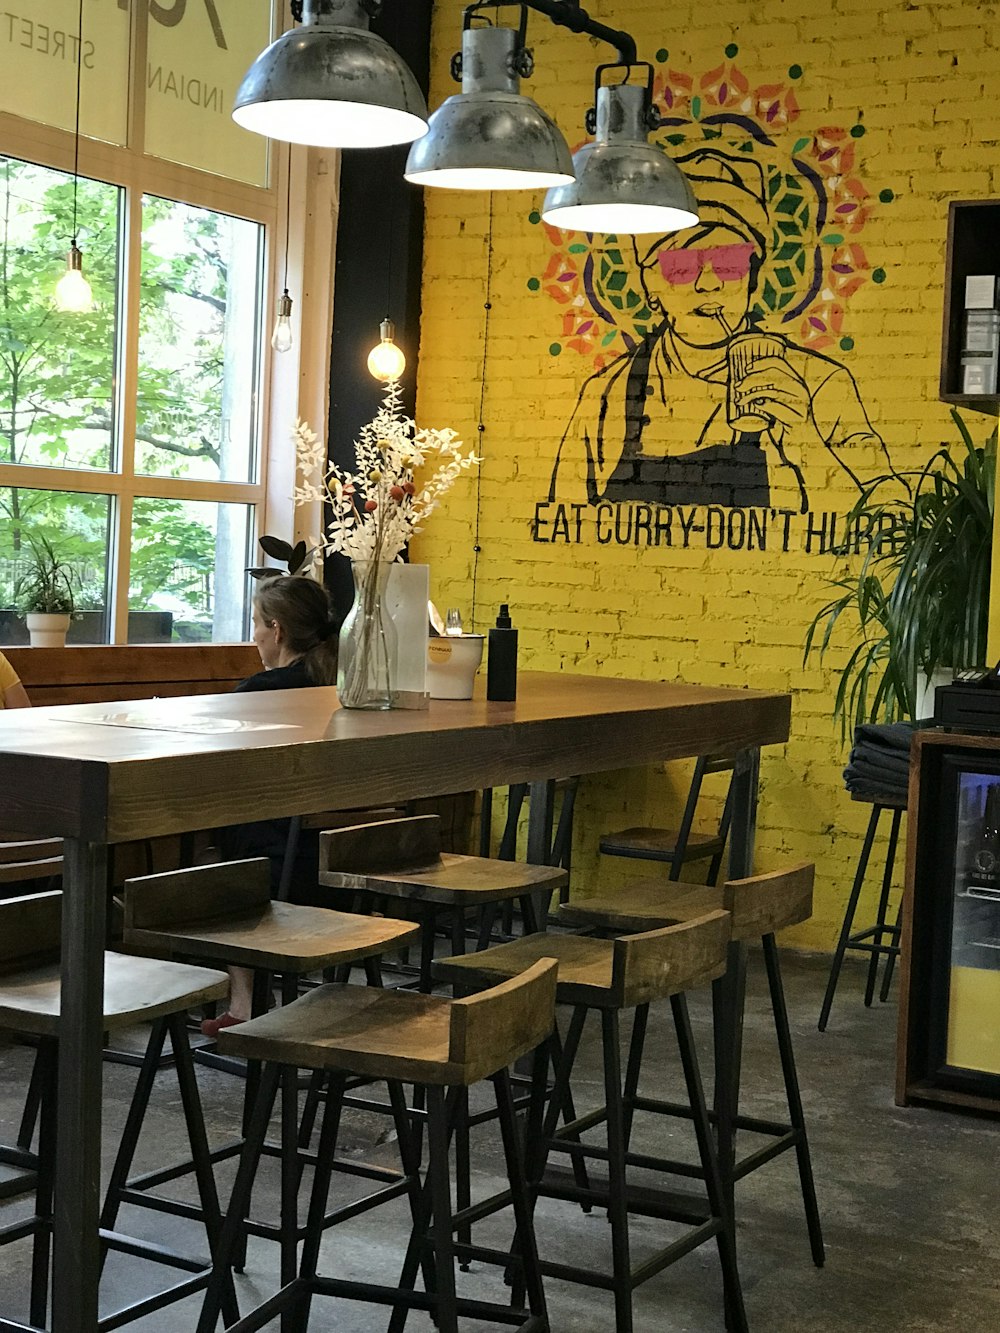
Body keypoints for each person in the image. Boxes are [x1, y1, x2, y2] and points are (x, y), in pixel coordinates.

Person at [548, 146, 895, 514]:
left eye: (729, 263)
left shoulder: (822, 384)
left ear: (754, 278)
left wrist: (805, 438)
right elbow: (561, 517)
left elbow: (891, 522)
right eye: (681, 267)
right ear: (650, 291)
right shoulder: (607, 396)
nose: (708, 284)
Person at [202, 575, 341, 1036]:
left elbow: (212, 756)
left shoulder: (262, 693)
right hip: (345, 862)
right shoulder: (344, 683)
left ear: (277, 631)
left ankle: (243, 1006)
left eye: (257, 624)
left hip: (287, 870)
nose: (254, 635)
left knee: (227, 853)